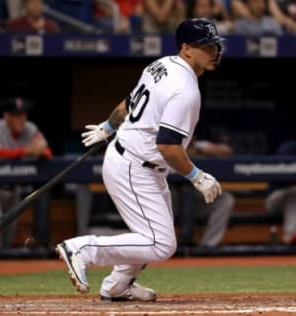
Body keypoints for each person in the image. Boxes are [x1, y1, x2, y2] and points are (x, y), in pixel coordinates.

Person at [55, 18, 224, 302]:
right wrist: (198, 176)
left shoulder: (162, 65)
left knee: (149, 236)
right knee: (161, 244)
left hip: (137, 161)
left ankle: (117, 286)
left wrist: (108, 127)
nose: (214, 51)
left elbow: (128, 102)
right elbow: (168, 146)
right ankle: (81, 249)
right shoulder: (186, 90)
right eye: (206, 46)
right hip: (134, 167)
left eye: (215, 45)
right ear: (186, 49)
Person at [0, 97, 53, 248]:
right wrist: (25, 151)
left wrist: (40, 152)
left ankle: (2, 271)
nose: (21, 119)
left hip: (14, 189)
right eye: (16, 115)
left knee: (9, 237)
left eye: (23, 114)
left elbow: (48, 153)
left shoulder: (30, 128)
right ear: (7, 116)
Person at [171, 138, 235, 247]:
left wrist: (200, 151)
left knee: (226, 199)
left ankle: (208, 246)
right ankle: (167, 244)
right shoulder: (165, 146)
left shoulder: (201, 145)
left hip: (199, 201)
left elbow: (228, 151)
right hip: (172, 203)